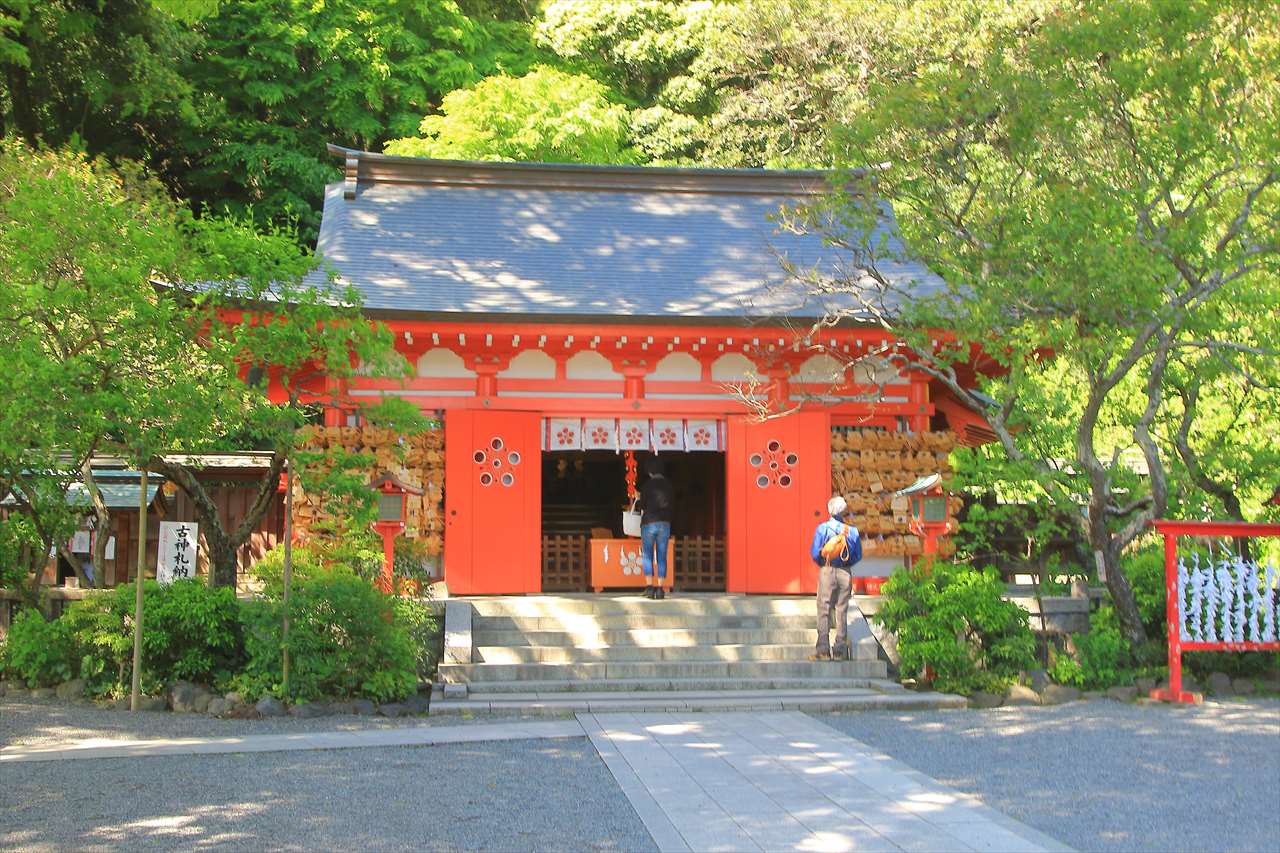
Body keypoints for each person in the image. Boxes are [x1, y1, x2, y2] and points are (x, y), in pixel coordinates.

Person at [809, 495, 863, 660]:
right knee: (841, 609)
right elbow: (858, 555)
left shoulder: (823, 529)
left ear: (829, 510)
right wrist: (846, 563)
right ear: (844, 511)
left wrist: (824, 563)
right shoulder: (852, 531)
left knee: (823, 608)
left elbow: (815, 553)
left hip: (828, 569)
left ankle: (823, 650)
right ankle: (840, 650)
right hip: (845, 572)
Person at [635, 455, 674, 599]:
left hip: (649, 523)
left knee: (647, 555)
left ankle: (650, 588)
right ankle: (660, 589)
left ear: (649, 470)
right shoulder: (669, 485)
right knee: (662, 556)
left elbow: (643, 505)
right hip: (664, 523)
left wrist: (639, 497)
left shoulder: (647, 486)